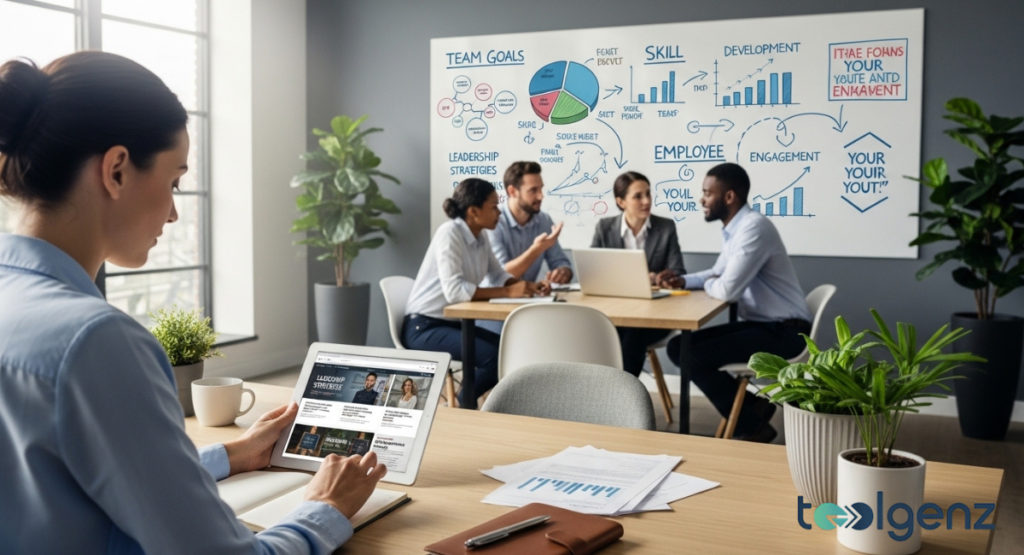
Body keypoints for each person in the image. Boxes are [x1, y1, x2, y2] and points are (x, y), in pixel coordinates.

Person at [0, 53, 385, 554]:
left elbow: (79, 480)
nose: (176, 212)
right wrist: (326, 508)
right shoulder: (95, 341)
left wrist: (231, 454)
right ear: (116, 170)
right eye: (174, 180)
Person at [668, 163, 811, 442]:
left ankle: (753, 426)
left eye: (708, 193)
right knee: (679, 347)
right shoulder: (737, 229)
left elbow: (727, 290)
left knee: (689, 354)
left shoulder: (753, 229)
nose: (702, 199)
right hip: (767, 325)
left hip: (785, 333)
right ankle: (752, 406)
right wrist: (682, 281)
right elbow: (716, 273)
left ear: (729, 197)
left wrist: (710, 283)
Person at [403, 178, 547, 405]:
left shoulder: (481, 235)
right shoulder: (449, 233)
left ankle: (464, 404)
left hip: (453, 325)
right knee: (493, 358)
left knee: (508, 349)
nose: (499, 212)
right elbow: (455, 292)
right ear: (473, 211)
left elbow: (497, 274)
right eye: (493, 206)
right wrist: (508, 293)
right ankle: (462, 406)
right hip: (424, 327)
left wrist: (525, 287)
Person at [591, 171, 687, 376]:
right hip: (614, 315)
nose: (646, 201)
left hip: (653, 318)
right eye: (638, 196)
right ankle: (613, 393)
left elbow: (678, 271)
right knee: (604, 331)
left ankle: (619, 395)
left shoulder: (666, 227)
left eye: (648, 194)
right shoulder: (604, 228)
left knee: (633, 332)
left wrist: (661, 278)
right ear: (621, 201)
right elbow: (593, 272)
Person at [488, 161, 573, 284]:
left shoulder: (544, 220)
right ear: (512, 191)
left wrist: (562, 273)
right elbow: (501, 276)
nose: (541, 196)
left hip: (527, 299)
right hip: (491, 300)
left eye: (541, 189)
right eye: (533, 190)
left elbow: (561, 262)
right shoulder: (493, 222)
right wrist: (537, 249)